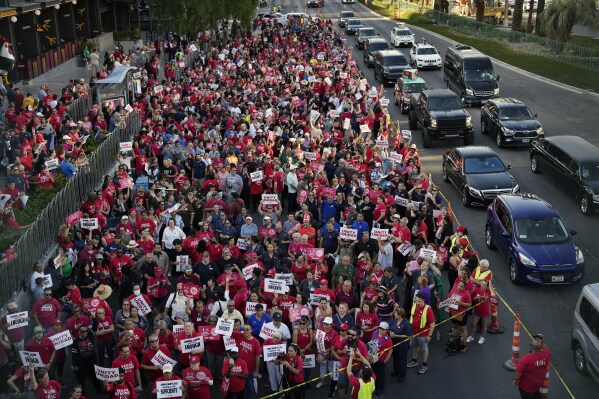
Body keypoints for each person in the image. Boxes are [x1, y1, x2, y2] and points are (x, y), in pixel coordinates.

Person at [407, 293, 435, 374]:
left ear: (423, 300)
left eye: (419, 301)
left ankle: (424, 364)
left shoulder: (428, 309)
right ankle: (414, 360)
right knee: (415, 346)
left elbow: (432, 323)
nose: (417, 302)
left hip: (423, 334)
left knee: (424, 349)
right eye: (416, 301)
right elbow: (412, 317)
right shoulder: (414, 305)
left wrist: (430, 335)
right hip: (414, 332)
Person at [367, 322, 393, 395]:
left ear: (386, 330)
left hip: (380, 361)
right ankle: (372, 386)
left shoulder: (388, 339)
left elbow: (390, 350)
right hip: (372, 359)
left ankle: (379, 388)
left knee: (380, 375)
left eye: (383, 329)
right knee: (372, 373)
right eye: (380, 328)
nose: (381, 330)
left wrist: (385, 361)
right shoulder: (374, 333)